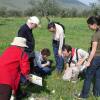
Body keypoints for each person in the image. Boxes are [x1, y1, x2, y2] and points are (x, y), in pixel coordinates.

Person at [78, 16, 100, 100]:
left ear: (94, 24)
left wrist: (89, 61)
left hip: (96, 58)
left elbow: (93, 50)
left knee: (88, 76)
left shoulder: (96, 35)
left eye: (89, 25)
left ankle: (84, 96)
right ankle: (97, 94)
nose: (88, 27)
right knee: (98, 76)